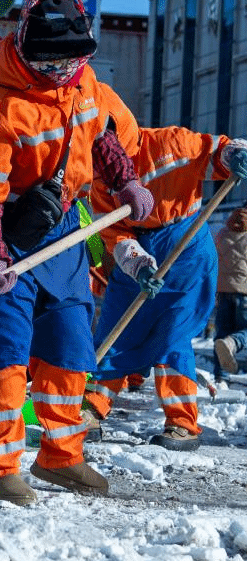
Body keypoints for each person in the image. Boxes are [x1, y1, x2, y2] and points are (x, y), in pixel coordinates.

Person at [0, 0, 153, 506]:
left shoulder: (85, 87)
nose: (61, 71)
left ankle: (62, 456)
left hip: (59, 232)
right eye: (50, 62)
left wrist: (125, 180)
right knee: (6, 354)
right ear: (26, 47)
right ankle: (0, 469)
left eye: (71, 61)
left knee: (69, 345)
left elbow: (101, 138)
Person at [83, 126, 247, 451]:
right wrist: (139, 265)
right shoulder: (97, 174)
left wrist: (234, 155)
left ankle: (182, 423)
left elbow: (216, 150)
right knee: (117, 328)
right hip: (138, 246)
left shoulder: (170, 142)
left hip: (187, 244)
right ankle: (91, 411)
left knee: (170, 334)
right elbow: (113, 231)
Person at [213, 206, 247, 380]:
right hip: (244, 292)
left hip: (223, 291)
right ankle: (233, 343)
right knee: (243, 332)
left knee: (221, 333)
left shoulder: (221, 234)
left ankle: (221, 377)